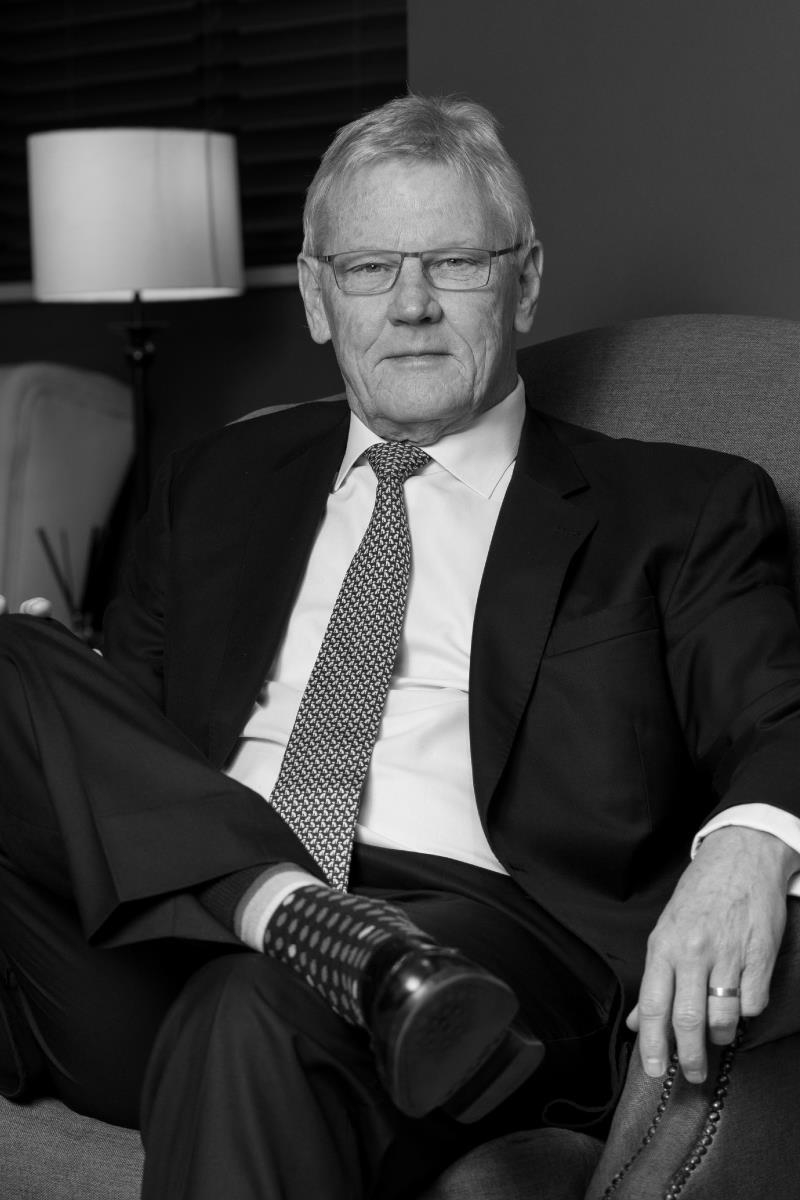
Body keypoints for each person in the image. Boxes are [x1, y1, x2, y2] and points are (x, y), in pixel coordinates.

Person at [1, 93, 800, 1200]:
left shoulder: (675, 507)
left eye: (455, 264)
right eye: (369, 267)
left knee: (253, 1008)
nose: (411, 304)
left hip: (476, 961)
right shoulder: (214, 484)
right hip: (178, 921)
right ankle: (286, 911)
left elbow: (777, 719)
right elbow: (129, 753)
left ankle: (324, 947)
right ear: (317, 296)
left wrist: (752, 843)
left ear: (524, 279)